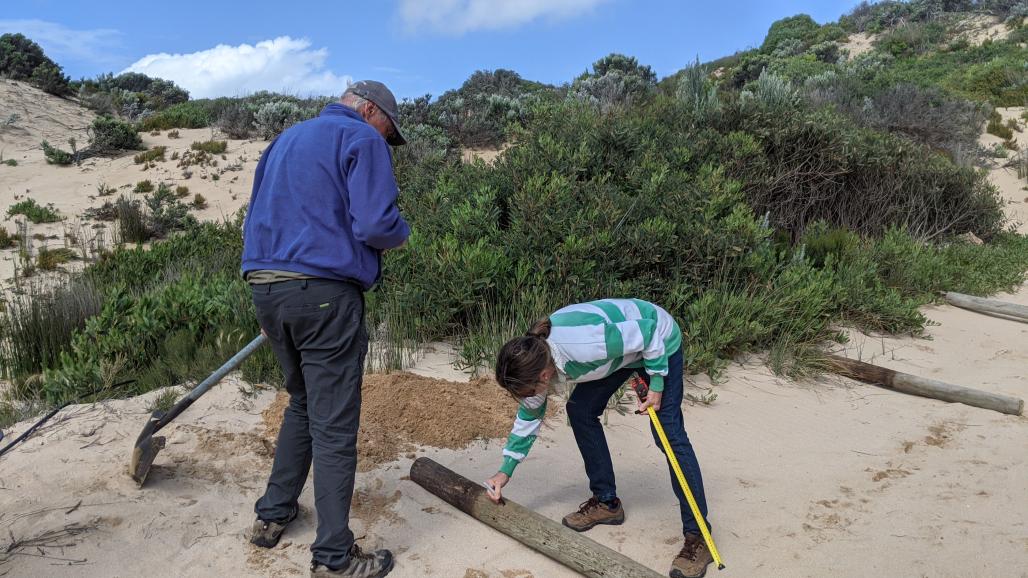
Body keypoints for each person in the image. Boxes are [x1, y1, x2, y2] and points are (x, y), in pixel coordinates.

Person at [242, 80, 409, 578]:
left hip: (266, 287)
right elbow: (376, 224)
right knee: (335, 427)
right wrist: (402, 234)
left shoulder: (284, 139)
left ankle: (273, 516)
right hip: (325, 293)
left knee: (304, 403)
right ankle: (334, 558)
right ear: (369, 109)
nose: (387, 139)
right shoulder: (361, 139)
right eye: (388, 128)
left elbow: (255, 217)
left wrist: (265, 293)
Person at [486, 298, 716, 578]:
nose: (529, 397)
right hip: (624, 352)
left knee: (669, 434)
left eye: (528, 390)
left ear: (544, 376)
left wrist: (656, 382)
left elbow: (648, 332)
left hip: (658, 340)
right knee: (580, 410)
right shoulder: (537, 359)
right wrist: (505, 471)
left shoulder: (583, 345)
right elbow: (530, 416)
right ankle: (607, 503)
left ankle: (698, 535)